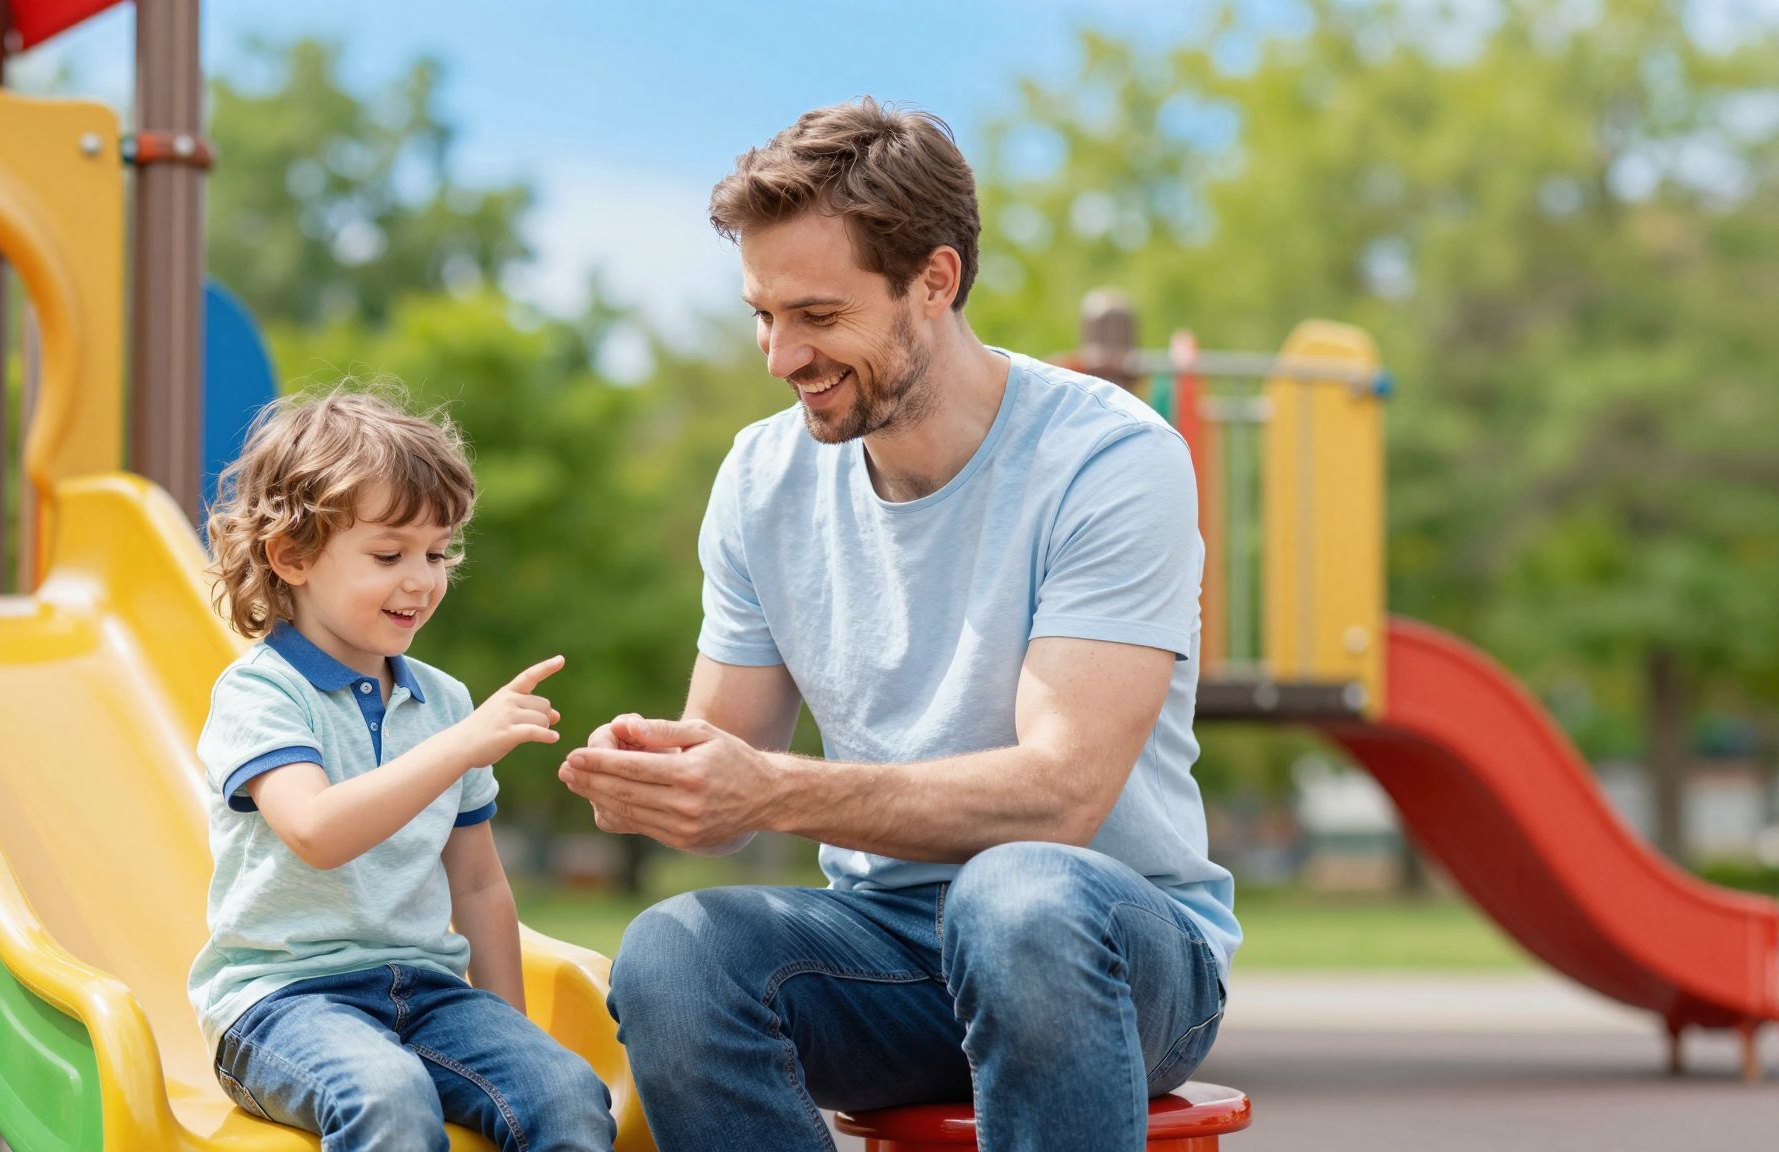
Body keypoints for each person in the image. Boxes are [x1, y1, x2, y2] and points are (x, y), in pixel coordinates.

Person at [560, 99, 1239, 1152]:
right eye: (762, 314)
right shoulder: (759, 476)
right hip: (885, 949)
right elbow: (729, 780)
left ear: (934, 282)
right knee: (675, 955)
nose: (779, 356)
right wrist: (666, 780)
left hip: (1104, 947)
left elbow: (1059, 795)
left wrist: (772, 788)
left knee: (1016, 902)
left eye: (817, 317)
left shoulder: (1109, 460)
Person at [189, 385, 615, 1152]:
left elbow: (480, 884)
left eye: (438, 552)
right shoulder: (260, 694)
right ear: (293, 556)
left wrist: (512, 1032)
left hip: (429, 995)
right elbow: (316, 830)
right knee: (387, 1097)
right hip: (281, 1002)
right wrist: (460, 746)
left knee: (567, 1091)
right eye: (389, 555)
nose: (422, 579)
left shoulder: (444, 702)